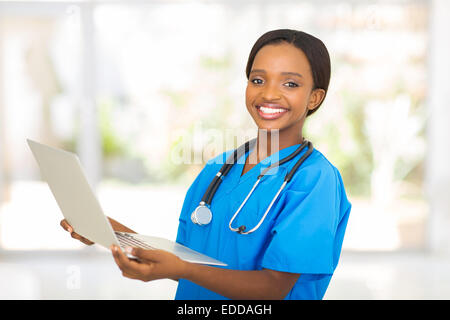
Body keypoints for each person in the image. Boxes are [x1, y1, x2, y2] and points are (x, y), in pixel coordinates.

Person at [60, 29, 351, 300]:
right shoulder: (219, 168)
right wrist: (114, 234)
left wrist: (182, 270)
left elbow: (273, 287)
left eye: (290, 83)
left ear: (315, 97)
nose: (269, 94)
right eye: (258, 80)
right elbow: (192, 263)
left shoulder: (316, 179)